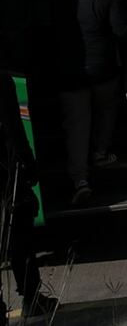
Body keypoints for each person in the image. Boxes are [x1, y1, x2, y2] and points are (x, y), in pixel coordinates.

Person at [59, 0, 127, 206]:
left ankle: (80, 180)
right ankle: (100, 152)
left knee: (76, 127)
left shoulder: (62, 0)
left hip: (70, 76)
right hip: (103, 73)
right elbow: (122, 32)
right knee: (107, 109)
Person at [0, 75, 58, 323]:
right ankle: (31, 298)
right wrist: (29, 164)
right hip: (5, 173)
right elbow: (13, 129)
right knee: (18, 234)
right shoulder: (2, 82)